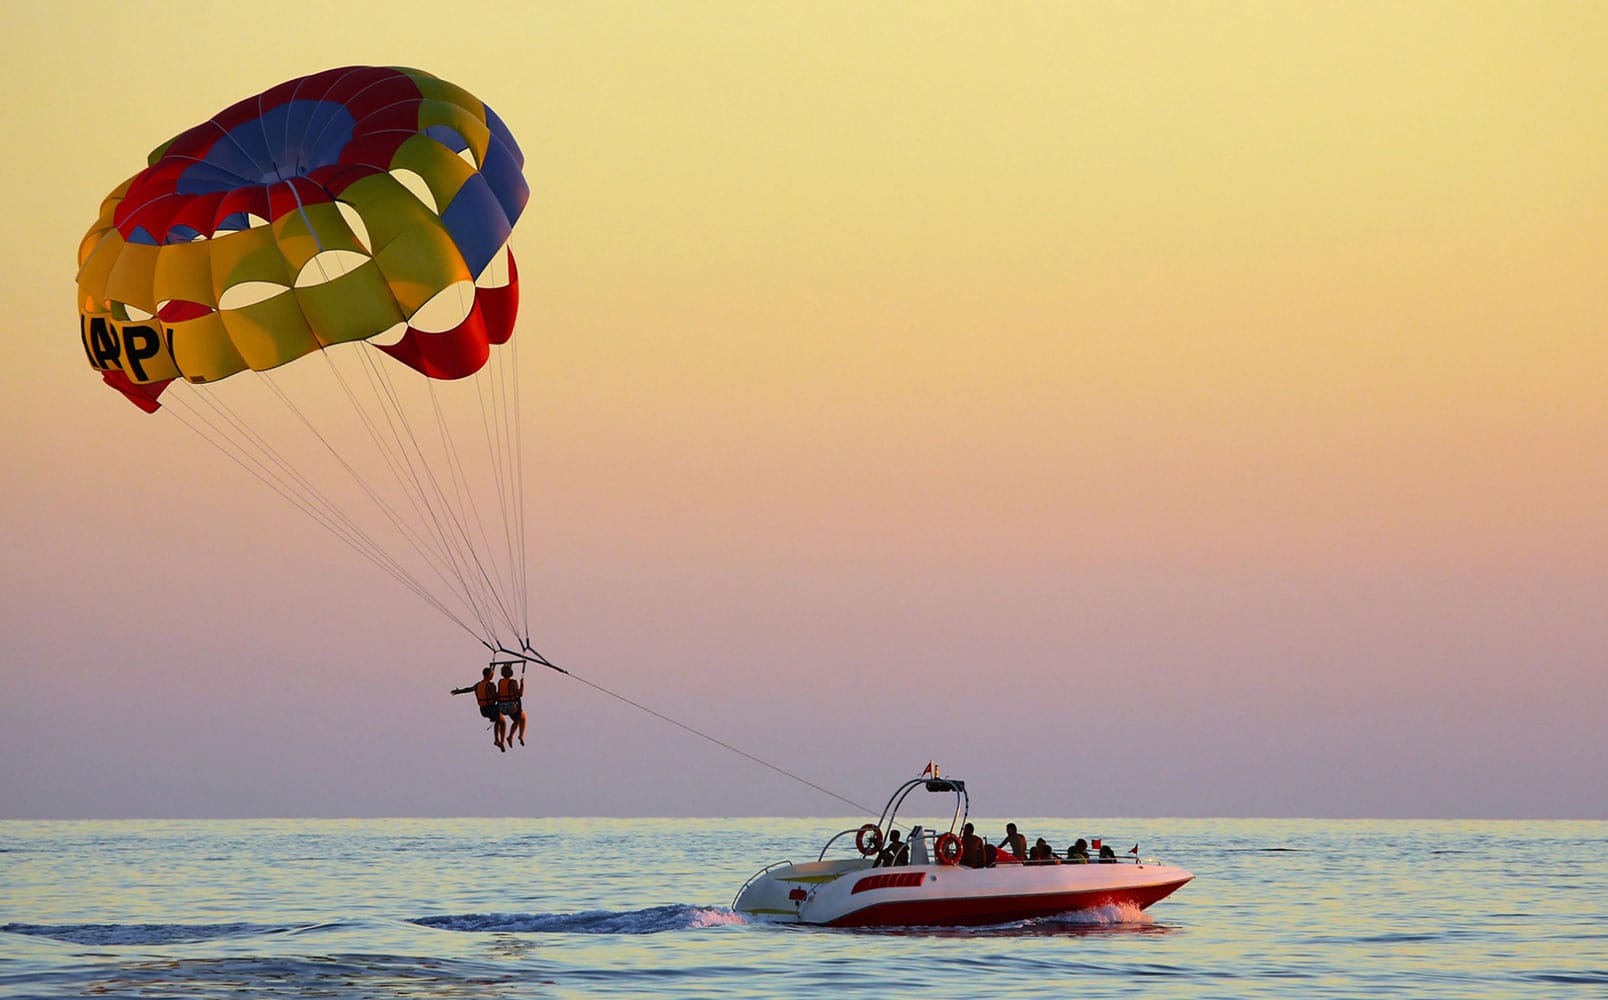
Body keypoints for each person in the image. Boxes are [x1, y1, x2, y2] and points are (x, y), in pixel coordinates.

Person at [452, 666, 506, 751]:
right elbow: (496, 697)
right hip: (490, 708)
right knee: (502, 722)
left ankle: (497, 740)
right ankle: (499, 740)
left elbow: (469, 689)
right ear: (489, 675)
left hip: (483, 710)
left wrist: (459, 691)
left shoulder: (478, 685)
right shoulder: (491, 685)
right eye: (492, 674)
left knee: (498, 720)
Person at [497, 664, 526, 747]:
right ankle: (520, 736)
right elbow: (520, 694)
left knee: (516, 720)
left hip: (502, 707)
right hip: (511, 706)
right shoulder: (512, 682)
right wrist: (522, 684)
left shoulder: (500, 682)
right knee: (522, 718)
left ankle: (511, 737)